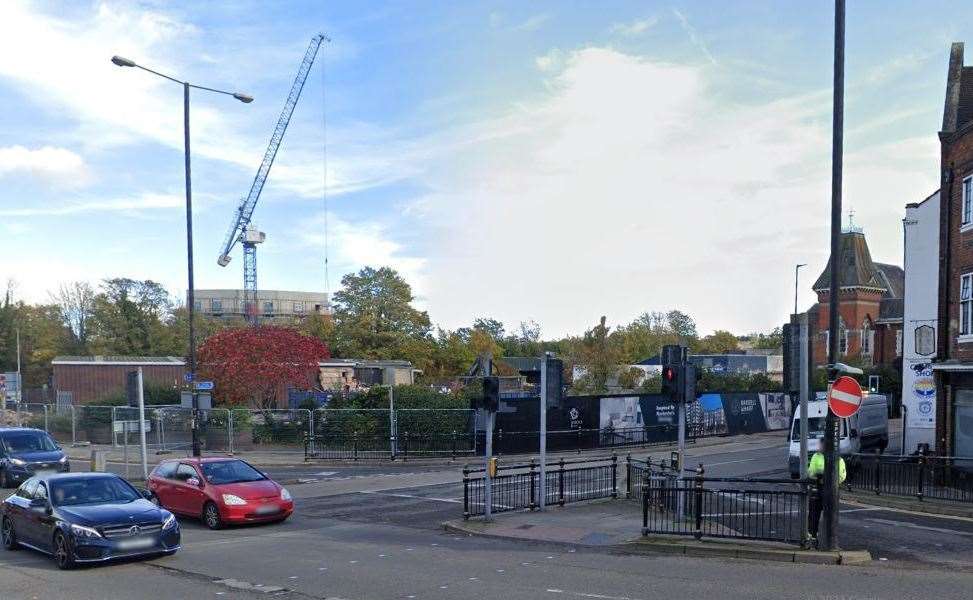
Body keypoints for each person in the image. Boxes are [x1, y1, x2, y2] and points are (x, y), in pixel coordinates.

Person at [806, 436, 846, 544]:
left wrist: (829, 477)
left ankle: (829, 539)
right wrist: (817, 475)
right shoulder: (816, 456)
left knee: (830, 515)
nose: (819, 447)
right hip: (817, 489)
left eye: (821, 445)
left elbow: (842, 475)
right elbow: (810, 472)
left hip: (831, 490)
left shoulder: (838, 458)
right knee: (813, 515)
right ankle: (812, 537)